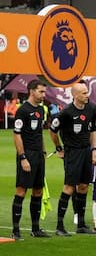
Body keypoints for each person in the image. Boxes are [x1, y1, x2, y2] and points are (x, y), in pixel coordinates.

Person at [50, 82, 96, 235]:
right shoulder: (66, 113)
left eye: (87, 92)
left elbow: (92, 130)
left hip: (86, 151)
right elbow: (53, 131)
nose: (87, 95)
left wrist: (94, 149)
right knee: (69, 187)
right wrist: (59, 148)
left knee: (84, 186)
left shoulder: (92, 108)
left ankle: (82, 225)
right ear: (75, 95)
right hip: (72, 152)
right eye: (84, 93)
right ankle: (59, 226)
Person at [11, 80, 51, 240]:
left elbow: (39, 132)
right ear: (31, 91)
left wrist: (42, 151)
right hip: (26, 154)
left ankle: (35, 229)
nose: (43, 95)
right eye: (41, 92)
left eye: (44, 92)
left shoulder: (41, 110)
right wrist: (23, 157)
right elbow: (16, 134)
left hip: (38, 156)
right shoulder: (22, 111)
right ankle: (15, 230)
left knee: (38, 190)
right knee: (21, 190)